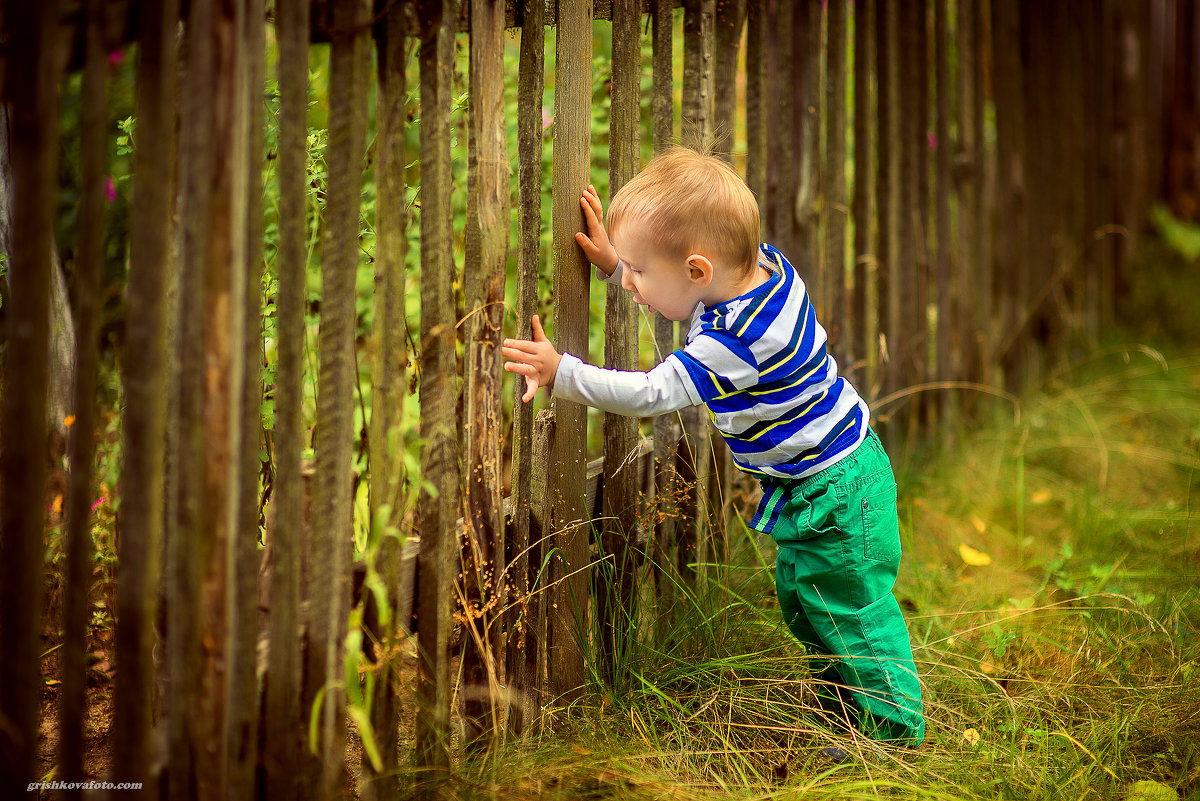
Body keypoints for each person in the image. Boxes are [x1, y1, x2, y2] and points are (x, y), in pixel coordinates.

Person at [501, 147, 925, 747]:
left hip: (838, 491)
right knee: (809, 602)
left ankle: (894, 735)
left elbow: (652, 392)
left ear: (699, 272)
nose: (632, 284)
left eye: (638, 272)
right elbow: (677, 283)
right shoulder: (762, 270)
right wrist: (615, 261)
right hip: (826, 476)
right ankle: (850, 709)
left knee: (852, 608)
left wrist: (560, 371)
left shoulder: (742, 341)